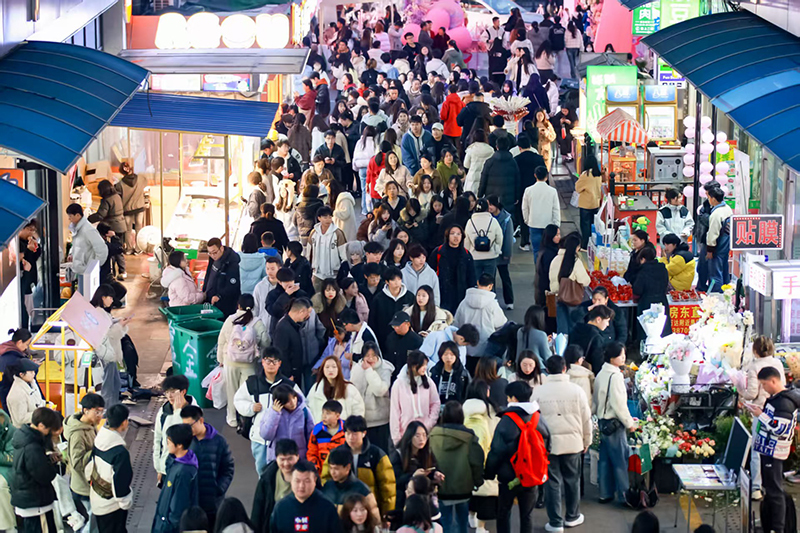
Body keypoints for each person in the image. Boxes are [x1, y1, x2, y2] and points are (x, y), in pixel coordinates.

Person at [534, 356, 591, 531]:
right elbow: (586, 418)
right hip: (573, 443)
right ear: (565, 368)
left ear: (547, 370)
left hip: (547, 445)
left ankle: (555, 522)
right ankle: (572, 516)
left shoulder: (538, 392)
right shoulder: (576, 390)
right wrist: (586, 440)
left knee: (552, 482)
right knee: (572, 480)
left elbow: (533, 420)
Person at [485, 381, 551, 533]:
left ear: (513, 398)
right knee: (527, 515)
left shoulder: (506, 420)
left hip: (508, 476)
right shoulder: (538, 417)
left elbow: (496, 450)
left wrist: (489, 472)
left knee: (503, 512)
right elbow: (548, 444)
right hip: (531, 475)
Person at [748, 366, 800, 533]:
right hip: (768, 449)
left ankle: (777, 528)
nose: (763, 388)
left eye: (764, 384)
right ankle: (771, 524)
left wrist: (760, 415)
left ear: (773, 381)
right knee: (771, 489)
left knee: (774, 491)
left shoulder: (784, 403)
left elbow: (780, 429)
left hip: (774, 452)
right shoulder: (777, 399)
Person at [429, 401, 485, 533]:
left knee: (445, 522)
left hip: (441, 487)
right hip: (463, 488)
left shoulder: (433, 436)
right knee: (462, 522)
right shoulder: (469, 437)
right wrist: (477, 481)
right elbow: (477, 462)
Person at [740, 336, 784, 500]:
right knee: (773, 450)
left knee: (757, 450)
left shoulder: (754, 366)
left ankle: (756, 488)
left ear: (755, 350)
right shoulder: (777, 364)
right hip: (777, 411)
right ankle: (771, 486)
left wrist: (741, 391)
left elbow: (752, 393)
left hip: (760, 412)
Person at [217, 294, 269, 427]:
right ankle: (246, 420)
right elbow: (266, 341)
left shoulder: (230, 319)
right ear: (253, 306)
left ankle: (232, 418)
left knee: (231, 390)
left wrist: (221, 359)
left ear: (238, 305)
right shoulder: (257, 322)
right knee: (247, 392)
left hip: (230, 361)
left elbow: (221, 340)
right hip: (249, 363)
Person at [594, 342, 636, 504]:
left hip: (603, 422)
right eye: (621, 355)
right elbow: (619, 404)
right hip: (614, 423)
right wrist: (629, 423)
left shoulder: (601, 373)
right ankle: (625, 495)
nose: (624, 358)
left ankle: (604, 493)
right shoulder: (616, 376)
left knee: (604, 459)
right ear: (612, 358)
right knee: (620, 459)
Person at [179, 406, 234, 526]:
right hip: (191, 502)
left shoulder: (219, 442)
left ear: (201, 421)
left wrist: (219, 489)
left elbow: (228, 468)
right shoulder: (185, 442)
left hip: (212, 503)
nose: (188, 430)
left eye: (190, 425)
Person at [11, 407, 61, 532]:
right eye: (49, 429)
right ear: (41, 425)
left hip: (27, 498)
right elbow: (44, 475)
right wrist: (52, 465)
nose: (50, 432)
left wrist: (47, 459)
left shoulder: (23, 437)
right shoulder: (32, 447)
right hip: (35, 503)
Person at [88, 404, 132, 532]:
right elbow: (121, 481)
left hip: (97, 498)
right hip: (112, 505)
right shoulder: (120, 452)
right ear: (124, 422)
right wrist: (125, 503)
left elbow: (89, 465)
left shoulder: (99, 439)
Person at [64, 392, 104, 530]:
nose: (100, 416)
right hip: (83, 486)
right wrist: (96, 451)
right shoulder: (77, 434)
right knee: (91, 523)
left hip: (91, 483)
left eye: (101, 412)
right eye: (97, 412)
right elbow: (77, 462)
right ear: (85, 411)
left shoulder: (90, 425)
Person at [152, 423, 199, 533]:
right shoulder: (178, 461)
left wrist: (168, 525)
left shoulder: (183, 472)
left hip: (167, 526)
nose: (167, 444)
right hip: (164, 520)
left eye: (169, 441)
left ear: (179, 445)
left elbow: (178, 504)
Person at [453, 273, 507, 367]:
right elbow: (501, 324)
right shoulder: (492, 304)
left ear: (477, 282)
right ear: (491, 286)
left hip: (466, 347)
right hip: (485, 348)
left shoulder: (464, 302)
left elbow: (457, 323)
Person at [89, 284, 129, 410]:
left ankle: (111, 411)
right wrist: (120, 326)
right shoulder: (99, 313)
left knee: (114, 385)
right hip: (106, 355)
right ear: (102, 297)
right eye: (110, 297)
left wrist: (117, 323)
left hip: (108, 354)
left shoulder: (99, 312)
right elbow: (108, 335)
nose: (112, 300)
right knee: (109, 387)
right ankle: (107, 414)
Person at [389, 421, 442, 514]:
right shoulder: (398, 455)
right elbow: (394, 480)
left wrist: (435, 475)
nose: (421, 439)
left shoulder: (427, 452)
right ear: (409, 437)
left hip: (424, 498)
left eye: (424, 435)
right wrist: (413, 476)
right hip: (404, 502)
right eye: (417, 436)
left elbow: (433, 468)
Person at [348, 342, 393, 451]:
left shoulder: (385, 368)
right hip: (363, 420)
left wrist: (369, 371)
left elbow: (380, 390)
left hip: (380, 420)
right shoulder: (357, 368)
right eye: (367, 356)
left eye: (373, 356)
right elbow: (353, 391)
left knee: (380, 452)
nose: (371, 359)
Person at [154, 375, 198, 484]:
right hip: (166, 467)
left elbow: (182, 433)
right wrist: (159, 468)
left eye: (173, 391)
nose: (169, 395)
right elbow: (158, 440)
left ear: (183, 392)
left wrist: (177, 412)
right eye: (167, 392)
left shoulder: (194, 412)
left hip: (187, 468)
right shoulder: (163, 412)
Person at [321, 446, 382, 525]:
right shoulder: (327, 487)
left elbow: (375, 520)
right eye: (331, 468)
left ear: (347, 467)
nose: (332, 472)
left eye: (336, 469)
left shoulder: (362, 490)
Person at [390, 351, 440, 445]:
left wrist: (429, 423)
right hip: (405, 433)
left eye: (426, 364)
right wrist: (396, 438)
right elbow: (395, 411)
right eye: (422, 365)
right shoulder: (399, 384)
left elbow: (435, 403)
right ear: (413, 366)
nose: (425, 368)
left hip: (425, 432)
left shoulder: (428, 381)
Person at [251, 438, 298, 533]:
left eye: (290, 459)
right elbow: (258, 511)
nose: (286, 464)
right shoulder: (267, 478)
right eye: (282, 459)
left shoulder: (307, 475)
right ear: (276, 458)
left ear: (297, 456)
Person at [272, 297, 319, 388]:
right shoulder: (283, 327)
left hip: (295, 372)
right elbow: (282, 353)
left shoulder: (294, 325)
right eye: (308, 312)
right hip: (289, 375)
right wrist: (288, 374)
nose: (308, 316)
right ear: (301, 311)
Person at [429, 225, 477, 314]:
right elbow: (430, 272)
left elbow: (471, 275)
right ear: (447, 236)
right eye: (452, 233)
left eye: (459, 234)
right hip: (442, 291)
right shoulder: (438, 252)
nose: (456, 236)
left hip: (461, 292)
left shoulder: (466, 254)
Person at [549, 232, 590, 334]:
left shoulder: (555, 259)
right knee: (574, 327)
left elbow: (551, 277)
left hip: (558, 297)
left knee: (562, 329)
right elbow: (585, 281)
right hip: (572, 299)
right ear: (576, 247)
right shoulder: (575, 262)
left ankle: (561, 348)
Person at [368, 267, 415, 352]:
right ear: (387, 282)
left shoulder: (410, 297)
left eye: (399, 279)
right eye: (393, 280)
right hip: (384, 339)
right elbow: (372, 321)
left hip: (405, 339)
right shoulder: (378, 299)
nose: (397, 282)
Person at [307, 356, 365, 423]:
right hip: (322, 429)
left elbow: (358, 410)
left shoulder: (349, 388)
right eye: (327, 367)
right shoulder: (315, 388)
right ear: (323, 369)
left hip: (344, 430)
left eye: (334, 367)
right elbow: (309, 409)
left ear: (339, 369)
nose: (330, 370)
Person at [87, 180, 127, 278]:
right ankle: (123, 271)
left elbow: (101, 215)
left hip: (112, 227)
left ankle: (112, 274)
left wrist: (88, 219)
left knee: (111, 251)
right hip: (121, 225)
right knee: (119, 249)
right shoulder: (117, 196)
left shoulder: (107, 200)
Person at [522, 166, 561, 259]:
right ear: (546, 176)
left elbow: (525, 208)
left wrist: (527, 220)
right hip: (549, 225)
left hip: (534, 223)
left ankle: (538, 271)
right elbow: (556, 209)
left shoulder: (528, 190)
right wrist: (556, 223)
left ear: (535, 175)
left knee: (536, 251)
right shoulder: (552, 191)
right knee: (550, 250)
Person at [633, 247, 672, 338]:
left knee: (647, 329)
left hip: (646, 303)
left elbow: (637, 290)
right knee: (662, 327)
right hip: (662, 301)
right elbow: (666, 284)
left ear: (643, 259)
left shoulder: (643, 271)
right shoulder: (663, 269)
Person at [478, 136, 520, 215]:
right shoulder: (513, 162)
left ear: (496, 147)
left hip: (491, 197)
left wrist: (480, 194)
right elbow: (517, 180)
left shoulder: (489, 162)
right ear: (508, 146)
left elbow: (483, 179)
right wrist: (517, 196)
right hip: (508, 197)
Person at [464, 199, 504, 280]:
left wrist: (469, 252)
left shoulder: (470, 222)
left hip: (475, 257)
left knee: (476, 282)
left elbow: (466, 241)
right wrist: (497, 249)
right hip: (490, 256)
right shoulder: (493, 221)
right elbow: (499, 237)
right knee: (490, 282)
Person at [568, 305, 614, 374]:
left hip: (571, 369)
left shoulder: (576, 329)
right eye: (607, 321)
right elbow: (597, 363)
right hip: (586, 373)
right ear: (598, 319)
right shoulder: (597, 337)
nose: (607, 324)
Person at [66, 203, 109, 276]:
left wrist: (92, 267)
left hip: (87, 272)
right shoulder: (77, 228)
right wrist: (71, 254)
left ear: (78, 215)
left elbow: (102, 249)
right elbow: (76, 244)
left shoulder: (88, 230)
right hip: (79, 269)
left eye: (70, 216)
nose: (69, 219)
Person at [204, 238, 242, 318]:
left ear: (221, 248)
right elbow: (209, 274)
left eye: (214, 253)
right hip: (212, 299)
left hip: (226, 303)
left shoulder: (232, 262)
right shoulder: (212, 258)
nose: (213, 256)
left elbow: (233, 285)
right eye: (210, 253)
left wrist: (219, 296)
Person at [706, 186, 733, 292]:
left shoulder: (716, 214)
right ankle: (726, 294)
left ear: (713, 199)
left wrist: (710, 250)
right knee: (724, 271)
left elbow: (713, 233)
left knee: (715, 273)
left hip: (718, 245)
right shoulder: (728, 209)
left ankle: (717, 297)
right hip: (726, 244)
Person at [307, 400, 346, 472]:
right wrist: (315, 468)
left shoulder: (346, 430)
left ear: (337, 416)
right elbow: (311, 453)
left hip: (343, 471)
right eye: (323, 413)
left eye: (328, 413)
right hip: (322, 472)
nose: (324, 416)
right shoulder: (317, 431)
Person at [429, 341, 470, 405]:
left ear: (456, 356)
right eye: (445, 354)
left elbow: (467, 394)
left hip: (456, 409)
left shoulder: (463, 374)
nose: (448, 357)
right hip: (437, 407)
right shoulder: (434, 371)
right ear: (440, 355)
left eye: (452, 354)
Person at [574, 158, 603, 250]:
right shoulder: (598, 174)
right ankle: (593, 244)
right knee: (593, 226)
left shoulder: (585, 174)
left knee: (585, 226)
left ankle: (585, 245)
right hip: (595, 204)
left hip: (585, 204)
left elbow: (578, 188)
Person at [6, 359, 44, 427]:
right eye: (31, 372)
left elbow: (38, 401)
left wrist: (46, 404)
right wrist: (42, 413)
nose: (34, 374)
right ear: (21, 374)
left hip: (35, 426)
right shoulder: (16, 394)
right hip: (25, 431)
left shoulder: (32, 383)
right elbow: (21, 418)